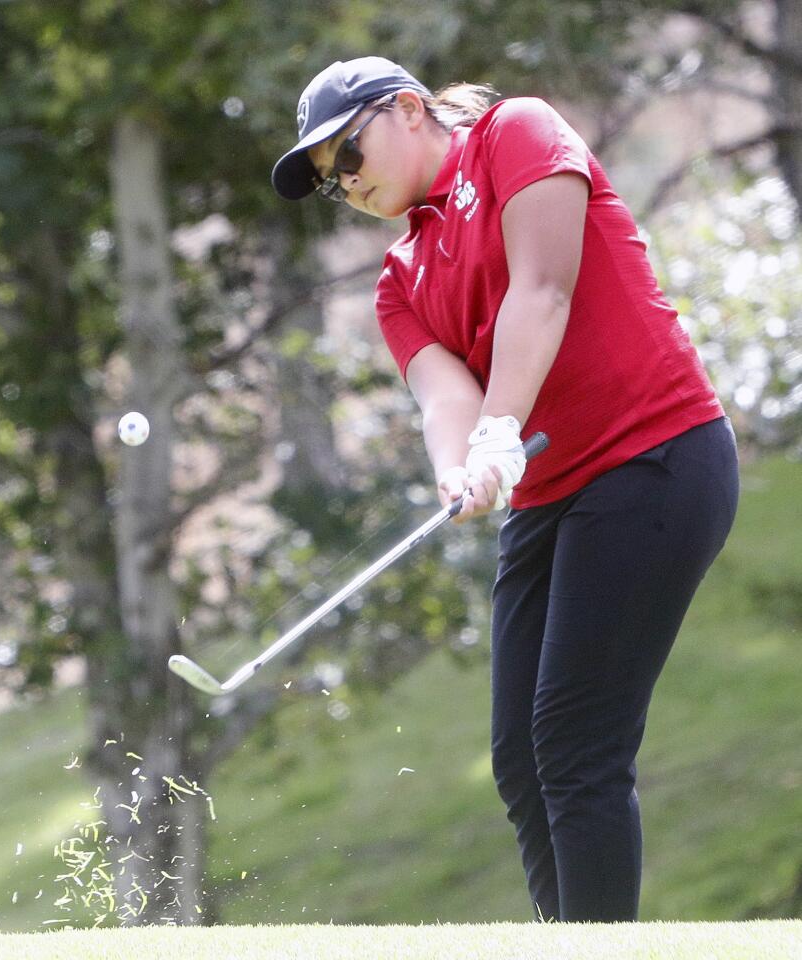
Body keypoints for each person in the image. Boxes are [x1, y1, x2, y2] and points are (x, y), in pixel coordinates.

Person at [271, 56, 739, 923]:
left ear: (408, 109)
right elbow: (444, 396)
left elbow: (544, 288)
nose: (345, 182)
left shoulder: (514, 133)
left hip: (655, 457)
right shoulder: (398, 279)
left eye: (347, 154)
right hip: (549, 491)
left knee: (574, 745)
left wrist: (500, 429)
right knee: (521, 761)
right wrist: (460, 465)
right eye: (331, 179)